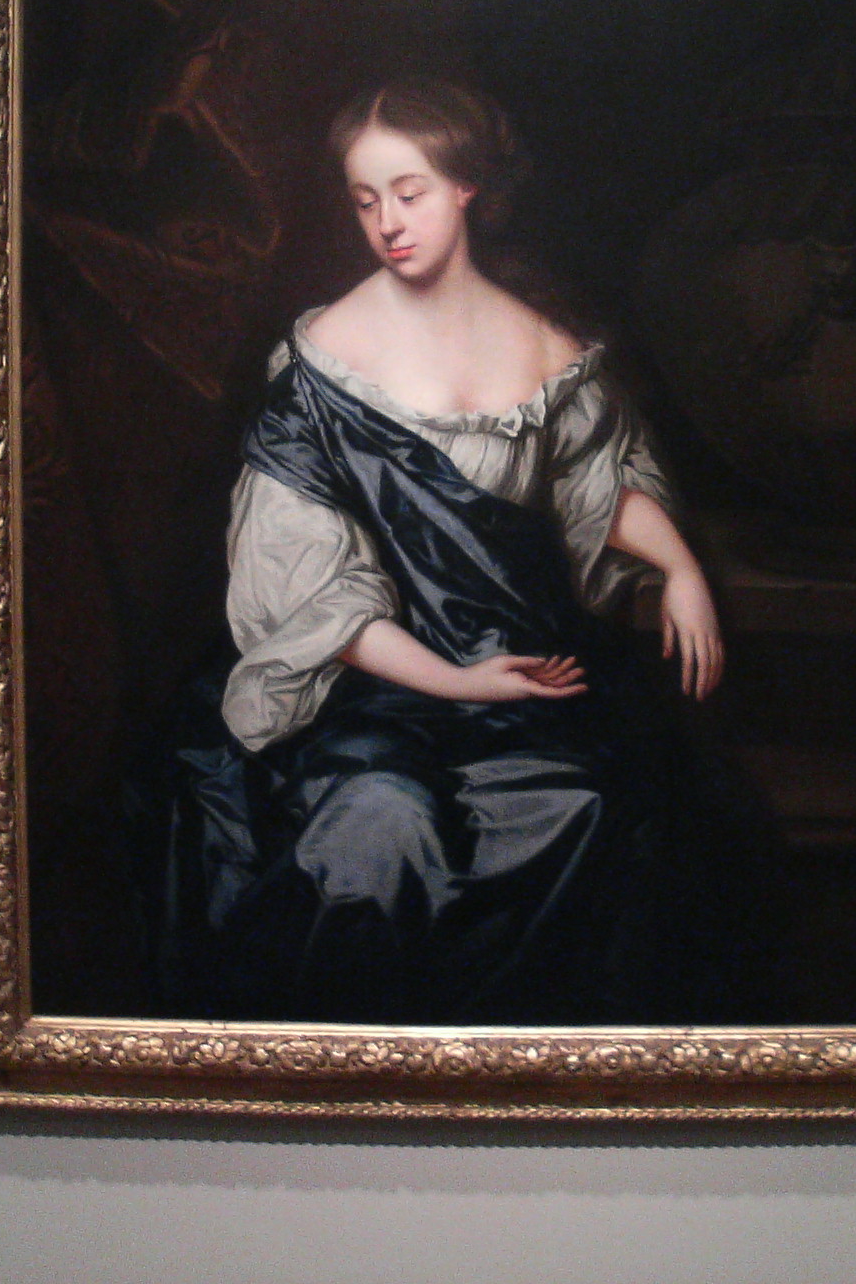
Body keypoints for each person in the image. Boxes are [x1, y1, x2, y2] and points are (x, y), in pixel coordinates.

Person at [163, 78, 726, 1025]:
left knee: (580, 808)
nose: (387, 223)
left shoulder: (544, 350)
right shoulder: (320, 368)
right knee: (379, 825)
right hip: (365, 693)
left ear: (466, 186)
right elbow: (313, 593)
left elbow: (596, 486)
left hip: (525, 682)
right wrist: (458, 683)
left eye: (408, 192)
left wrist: (682, 568)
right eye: (365, 199)